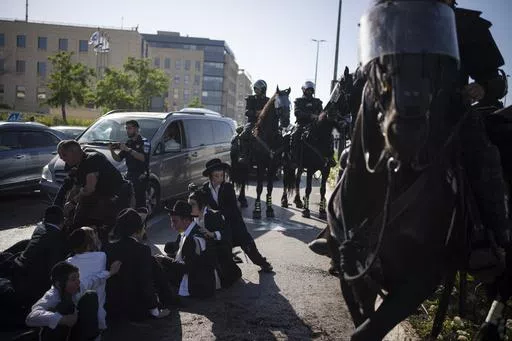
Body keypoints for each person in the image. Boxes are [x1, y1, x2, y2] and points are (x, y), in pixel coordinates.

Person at [310, 0, 511, 266]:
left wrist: (483, 88)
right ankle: (338, 231)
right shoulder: (393, 18)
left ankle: (492, 239)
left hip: (449, 114)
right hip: (396, 112)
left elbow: (496, 79)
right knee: (353, 155)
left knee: (484, 155)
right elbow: (369, 67)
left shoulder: (466, 24)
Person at [200, 158, 273, 272]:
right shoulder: (205, 188)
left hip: (234, 221)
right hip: (219, 224)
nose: (219, 178)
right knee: (222, 245)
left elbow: (232, 207)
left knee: (247, 245)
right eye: (216, 176)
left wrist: (220, 213)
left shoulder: (228, 187)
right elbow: (201, 200)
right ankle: (226, 266)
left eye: (221, 175)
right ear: (210, 176)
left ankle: (263, 263)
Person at [0, 206, 68, 328]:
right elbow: (52, 269)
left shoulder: (40, 228)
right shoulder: (57, 239)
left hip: (18, 271)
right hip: (29, 285)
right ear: (62, 222)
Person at [104, 208, 171, 321]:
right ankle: (166, 299)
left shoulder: (109, 249)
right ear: (138, 230)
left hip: (114, 309)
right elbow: (145, 282)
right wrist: (154, 310)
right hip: (137, 309)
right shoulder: (142, 250)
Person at [58, 139, 129, 229]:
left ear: (74, 152)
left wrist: (72, 203)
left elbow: (89, 189)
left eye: (64, 155)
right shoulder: (78, 162)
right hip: (101, 195)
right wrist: (65, 209)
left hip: (116, 196)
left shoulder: (92, 159)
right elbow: (76, 187)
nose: (62, 158)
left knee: (106, 229)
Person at [25, 261, 100, 341]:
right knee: (65, 306)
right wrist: (63, 319)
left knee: (90, 295)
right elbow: (31, 318)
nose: (78, 281)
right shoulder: (52, 295)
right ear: (59, 284)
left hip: (73, 332)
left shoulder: (79, 286)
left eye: (78, 277)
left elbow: (93, 280)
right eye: (73, 279)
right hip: (55, 335)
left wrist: (109, 273)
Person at [67, 227, 122, 331]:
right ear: (88, 245)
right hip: (98, 314)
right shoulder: (101, 256)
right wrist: (110, 273)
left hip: (74, 313)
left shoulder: (68, 262)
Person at [158, 200, 217, 298]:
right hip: (199, 278)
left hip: (198, 285)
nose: (172, 225)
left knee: (159, 272)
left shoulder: (193, 238)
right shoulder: (190, 231)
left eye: (175, 221)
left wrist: (164, 260)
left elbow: (186, 268)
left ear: (186, 220)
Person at [188, 188, 242, 289]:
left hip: (216, 252)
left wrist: (212, 234)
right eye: (189, 204)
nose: (189, 207)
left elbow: (227, 233)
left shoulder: (213, 215)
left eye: (193, 204)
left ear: (202, 205)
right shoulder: (192, 217)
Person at [110, 120, 151, 209]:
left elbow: (143, 158)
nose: (127, 130)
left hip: (140, 176)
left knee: (140, 204)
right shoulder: (129, 143)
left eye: (129, 128)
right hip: (130, 175)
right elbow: (118, 159)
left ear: (136, 129)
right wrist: (111, 150)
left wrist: (128, 150)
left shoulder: (145, 142)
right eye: (126, 128)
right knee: (128, 202)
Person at [290, 81, 324, 166]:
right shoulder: (298, 101)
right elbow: (297, 112)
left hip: (315, 125)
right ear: (304, 90)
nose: (309, 92)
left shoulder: (318, 102)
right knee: (295, 135)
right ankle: (294, 159)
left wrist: (320, 116)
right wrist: (310, 116)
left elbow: (322, 112)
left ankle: (328, 158)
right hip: (302, 125)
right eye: (307, 90)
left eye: (311, 90)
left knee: (327, 135)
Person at [237, 79, 269, 164]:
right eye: (255, 89)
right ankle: (243, 154)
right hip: (252, 122)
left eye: (258, 89)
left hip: (265, 123)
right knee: (244, 134)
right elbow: (247, 112)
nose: (256, 90)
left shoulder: (268, 101)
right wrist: (256, 113)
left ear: (263, 89)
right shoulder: (251, 99)